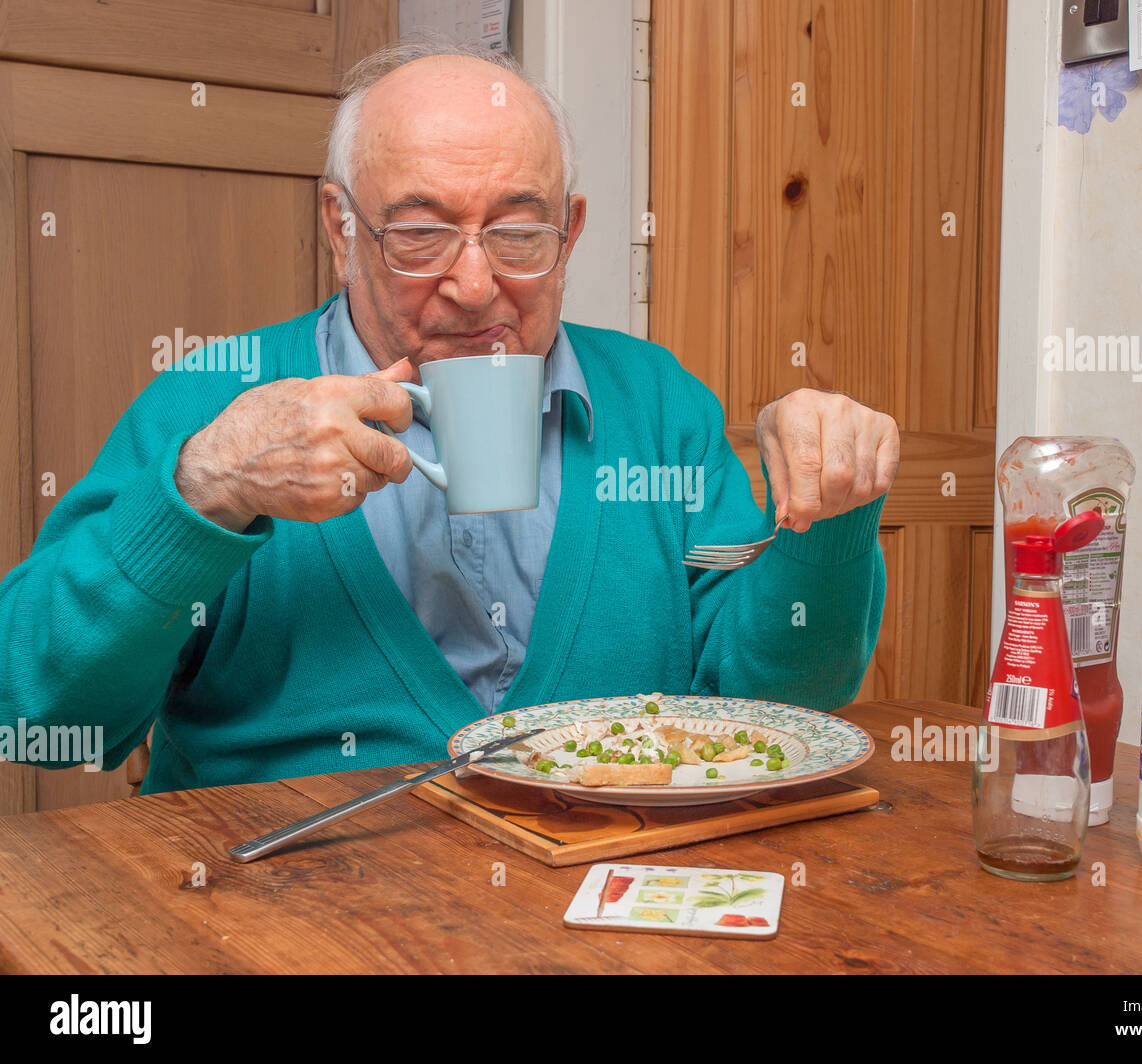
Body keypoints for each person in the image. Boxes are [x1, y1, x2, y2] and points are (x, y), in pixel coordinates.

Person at [0, 37, 899, 794]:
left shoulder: (659, 406)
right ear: (340, 228)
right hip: (284, 924)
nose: (475, 288)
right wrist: (209, 489)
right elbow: (40, 718)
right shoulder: (213, 400)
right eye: (420, 234)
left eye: (518, 234)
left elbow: (779, 708)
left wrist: (832, 521)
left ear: (572, 232)